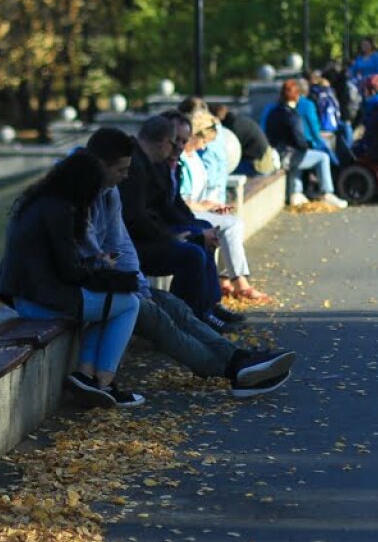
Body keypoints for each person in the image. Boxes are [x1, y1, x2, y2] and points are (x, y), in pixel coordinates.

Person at [81, 128, 295, 396]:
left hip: (109, 282)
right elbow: (85, 252)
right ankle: (232, 370)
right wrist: (123, 282)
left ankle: (238, 358)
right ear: (101, 164)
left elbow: (120, 242)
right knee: (159, 318)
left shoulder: (109, 190)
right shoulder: (78, 194)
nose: (126, 176)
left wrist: (138, 285)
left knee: (175, 306)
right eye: (121, 170)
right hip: (91, 286)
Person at [0, 152, 144, 408]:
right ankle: (104, 382)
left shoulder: (41, 202)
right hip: (40, 302)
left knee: (112, 306)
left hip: (30, 296)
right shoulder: (59, 210)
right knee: (129, 304)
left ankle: (86, 375)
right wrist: (101, 264)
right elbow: (70, 271)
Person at [119, 114, 237, 327]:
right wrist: (177, 237)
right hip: (134, 245)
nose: (178, 148)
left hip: (150, 234)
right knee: (193, 253)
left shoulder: (152, 162)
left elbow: (170, 206)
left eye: (184, 141)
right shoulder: (137, 165)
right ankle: (187, 319)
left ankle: (208, 307)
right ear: (164, 141)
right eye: (176, 142)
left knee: (202, 233)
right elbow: (137, 218)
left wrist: (195, 229)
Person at [178, 109, 269, 304]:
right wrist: (205, 207)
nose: (204, 147)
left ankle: (226, 279)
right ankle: (239, 282)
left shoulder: (194, 156)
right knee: (231, 225)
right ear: (195, 135)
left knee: (231, 222)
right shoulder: (181, 160)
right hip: (187, 213)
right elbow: (181, 200)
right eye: (204, 141)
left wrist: (212, 206)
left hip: (197, 209)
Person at [263, 80, 348, 209]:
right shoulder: (292, 116)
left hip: (276, 154)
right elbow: (299, 141)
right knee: (322, 157)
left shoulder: (273, 112)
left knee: (299, 158)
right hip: (287, 157)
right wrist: (308, 145)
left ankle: (295, 193)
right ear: (297, 96)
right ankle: (327, 193)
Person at [210, 102, 276, 176]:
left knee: (221, 169)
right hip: (265, 159)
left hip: (259, 164)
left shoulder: (232, 129)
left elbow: (227, 154)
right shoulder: (237, 120)